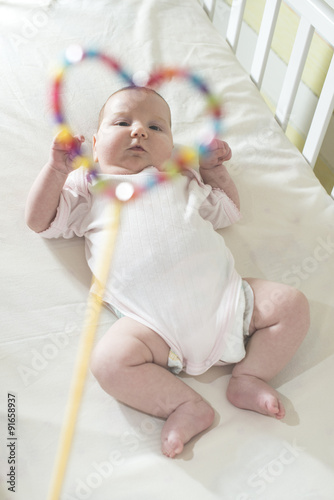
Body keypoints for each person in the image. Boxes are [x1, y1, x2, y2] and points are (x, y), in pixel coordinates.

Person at [25, 86, 310, 458]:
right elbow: (39, 221)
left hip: (227, 301)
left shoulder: (180, 179)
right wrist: (55, 170)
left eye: (156, 128)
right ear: (95, 145)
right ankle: (185, 405)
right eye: (123, 122)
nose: (139, 131)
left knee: (291, 304)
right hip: (154, 328)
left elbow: (228, 211)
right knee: (109, 362)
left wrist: (214, 171)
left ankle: (250, 377)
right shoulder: (91, 186)